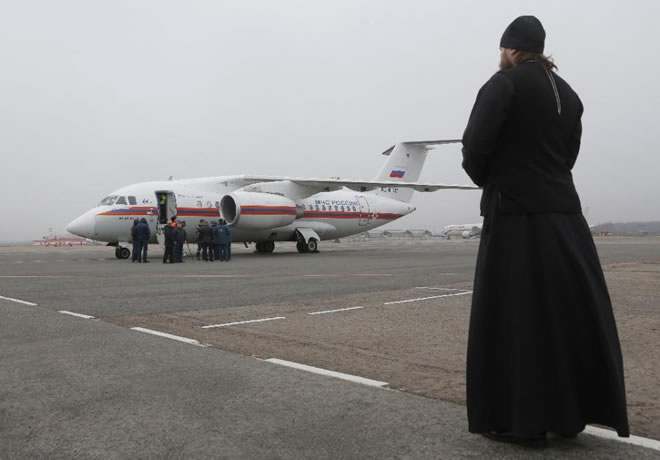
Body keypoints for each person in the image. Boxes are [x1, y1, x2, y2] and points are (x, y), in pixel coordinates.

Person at [461, 15, 629, 443]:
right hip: (566, 218)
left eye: (502, 49)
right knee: (563, 315)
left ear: (512, 49)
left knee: (518, 317)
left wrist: (495, 180)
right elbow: (568, 155)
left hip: (516, 216)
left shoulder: (504, 84)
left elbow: (474, 147)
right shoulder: (569, 95)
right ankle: (567, 417)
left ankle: (523, 422)